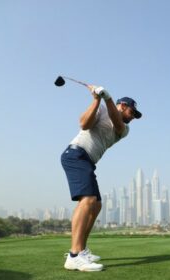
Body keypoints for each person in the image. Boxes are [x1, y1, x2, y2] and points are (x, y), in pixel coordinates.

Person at [61, 84, 142, 272]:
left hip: (87, 161)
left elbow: (118, 122)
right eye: (132, 112)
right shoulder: (102, 109)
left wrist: (107, 97)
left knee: (96, 204)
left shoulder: (124, 129)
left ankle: (81, 249)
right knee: (88, 200)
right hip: (76, 154)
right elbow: (83, 124)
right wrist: (97, 100)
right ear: (123, 106)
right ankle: (74, 255)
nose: (133, 117)